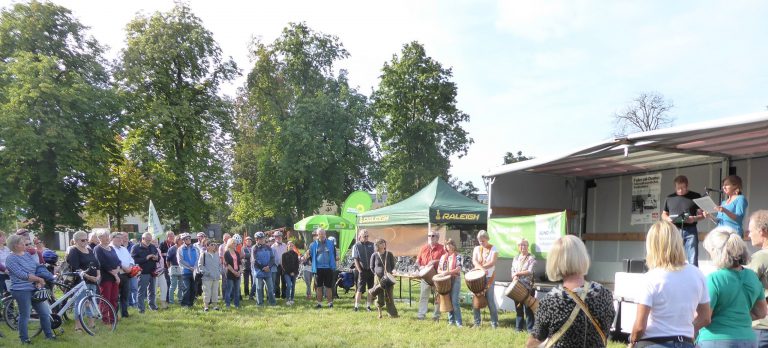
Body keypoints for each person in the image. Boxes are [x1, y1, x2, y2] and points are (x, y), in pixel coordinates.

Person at [629, 220, 711, 348]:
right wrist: (686, 333)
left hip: (654, 342)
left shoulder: (650, 278)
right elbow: (705, 317)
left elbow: (640, 327)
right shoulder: (697, 274)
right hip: (685, 342)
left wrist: (632, 341)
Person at [527, 235, 615, 348]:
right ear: (583, 257)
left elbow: (535, 341)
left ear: (555, 261)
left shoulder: (550, 302)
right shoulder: (605, 295)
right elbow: (606, 329)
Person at [698, 227, 766, 347]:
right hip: (748, 339)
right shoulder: (752, 277)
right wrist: (738, 319)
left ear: (716, 251)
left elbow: (704, 317)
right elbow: (761, 312)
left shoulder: (714, 279)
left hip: (716, 340)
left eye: (710, 251)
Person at [5, 234, 56, 343]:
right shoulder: (10, 258)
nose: (25, 244)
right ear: (15, 246)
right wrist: (38, 279)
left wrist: (40, 279)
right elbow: (21, 274)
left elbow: (36, 267)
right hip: (21, 290)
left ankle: (49, 335)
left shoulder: (27, 255)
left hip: (34, 288)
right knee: (25, 315)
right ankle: (24, 339)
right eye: (22, 242)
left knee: (44, 313)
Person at [662, 175, 704, 266]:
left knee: (693, 258)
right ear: (675, 187)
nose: (680, 190)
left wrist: (694, 218)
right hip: (674, 230)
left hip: (691, 230)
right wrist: (667, 219)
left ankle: (693, 278)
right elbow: (664, 214)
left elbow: (703, 215)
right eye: (678, 188)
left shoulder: (696, 196)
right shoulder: (669, 198)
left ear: (687, 185)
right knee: (673, 258)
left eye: (683, 188)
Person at [67, 231, 101, 332]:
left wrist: (98, 275)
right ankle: (78, 326)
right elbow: (75, 268)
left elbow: (96, 264)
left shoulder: (89, 250)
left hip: (93, 281)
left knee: (89, 302)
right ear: (76, 241)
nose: (85, 241)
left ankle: (91, 323)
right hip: (81, 281)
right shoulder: (74, 251)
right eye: (83, 240)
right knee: (80, 302)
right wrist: (88, 276)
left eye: (86, 239)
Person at [747, 210, 768, 346]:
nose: (748, 235)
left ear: (762, 231)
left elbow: (743, 288)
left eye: (750, 230)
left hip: (762, 327)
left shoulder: (760, 257)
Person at [416, 229, 445, 321]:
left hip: (437, 276)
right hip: (425, 276)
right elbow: (417, 260)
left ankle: (436, 316)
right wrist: (420, 267)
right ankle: (421, 315)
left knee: (438, 297)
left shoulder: (442, 248)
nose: (430, 238)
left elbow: (446, 260)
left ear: (437, 238)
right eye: (429, 236)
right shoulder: (424, 248)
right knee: (424, 296)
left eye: (433, 236)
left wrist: (434, 261)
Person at [471, 230, 498, 328]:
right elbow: (474, 261)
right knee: (476, 298)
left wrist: (482, 268)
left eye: (483, 241)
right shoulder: (477, 248)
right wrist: (482, 269)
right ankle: (477, 322)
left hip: (489, 277)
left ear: (487, 239)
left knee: (490, 300)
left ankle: (494, 323)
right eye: (479, 241)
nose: (481, 243)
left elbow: (492, 262)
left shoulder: (494, 248)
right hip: (478, 277)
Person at [95, 230, 121, 321]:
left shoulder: (111, 248)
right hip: (105, 278)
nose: (107, 238)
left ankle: (113, 318)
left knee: (114, 298)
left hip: (114, 277)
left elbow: (118, 261)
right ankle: (105, 319)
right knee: (105, 299)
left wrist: (117, 271)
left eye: (107, 236)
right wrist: (115, 275)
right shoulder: (98, 249)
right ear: (100, 238)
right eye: (105, 236)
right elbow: (102, 264)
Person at [511, 238, 536, 332]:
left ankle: (530, 329)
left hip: (528, 286)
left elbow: (530, 271)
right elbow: (512, 270)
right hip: (516, 286)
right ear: (518, 247)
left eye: (525, 245)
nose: (523, 247)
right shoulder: (516, 258)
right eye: (521, 245)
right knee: (518, 308)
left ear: (528, 247)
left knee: (528, 308)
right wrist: (514, 276)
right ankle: (518, 328)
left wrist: (517, 274)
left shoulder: (531, 257)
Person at [308, 228, 337, 308]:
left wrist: (332, 265)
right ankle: (319, 304)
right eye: (320, 234)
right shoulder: (313, 245)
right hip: (318, 269)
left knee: (328, 287)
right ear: (317, 235)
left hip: (328, 268)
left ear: (325, 234)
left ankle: (330, 303)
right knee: (319, 287)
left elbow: (334, 255)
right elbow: (310, 256)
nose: (322, 235)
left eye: (323, 234)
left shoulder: (331, 243)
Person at [131, 232, 159, 313]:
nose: (149, 241)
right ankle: (141, 309)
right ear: (143, 239)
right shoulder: (136, 247)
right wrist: (146, 258)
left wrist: (156, 258)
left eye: (150, 240)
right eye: (147, 240)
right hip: (142, 273)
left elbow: (158, 257)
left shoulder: (152, 246)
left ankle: (153, 307)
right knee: (141, 292)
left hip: (152, 272)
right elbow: (133, 260)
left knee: (152, 291)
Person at [370, 238, 398, 318]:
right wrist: (376, 274)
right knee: (380, 297)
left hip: (388, 279)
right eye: (381, 243)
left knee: (389, 296)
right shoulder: (374, 255)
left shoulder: (389, 254)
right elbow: (371, 267)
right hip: (378, 278)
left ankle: (392, 314)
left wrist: (389, 273)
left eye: (384, 242)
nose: (383, 244)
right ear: (377, 245)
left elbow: (393, 265)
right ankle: (380, 314)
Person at [438, 238, 462, 327]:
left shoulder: (458, 256)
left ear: (454, 246)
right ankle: (451, 321)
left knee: (455, 301)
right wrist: (443, 273)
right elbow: (439, 269)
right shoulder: (443, 257)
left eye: (451, 244)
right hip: (446, 281)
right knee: (448, 300)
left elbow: (458, 269)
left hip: (455, 279)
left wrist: (448, 272)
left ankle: (459, 322)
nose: (449, 247)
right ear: (446, 247)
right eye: (447, 245)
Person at [111, 232, 133, 317]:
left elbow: (131, 259)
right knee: (115, 296)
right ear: (112, 238)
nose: (121, 240)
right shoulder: (110, 248)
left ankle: (125, 313)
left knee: (125, 295)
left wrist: (130, 267)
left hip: (126, 275)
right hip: (117, 274)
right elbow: (115, 261)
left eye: (121, 238)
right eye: (118, 238)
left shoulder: (123, 248)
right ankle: (114, 315)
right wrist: (124, 268)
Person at [352, 229, 375, 312]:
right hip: (362, 270)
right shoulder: (356, 246)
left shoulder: (372, 245)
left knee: (371, 289)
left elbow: (375, 257)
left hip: (371, 270)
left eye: (367, 236)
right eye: (364, 236)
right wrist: (360, 271)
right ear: (360, 237)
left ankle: (368, 306)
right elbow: (355, 259)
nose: (366, 237)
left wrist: (374, 269)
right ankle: (356, 307)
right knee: (360, 289)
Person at [252, 231, 276, 306]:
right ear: (256, 239)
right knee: (259, 288)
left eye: (263, 238)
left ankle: (272, 302)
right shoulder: (254, 248)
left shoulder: (268, 247)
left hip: (268, 270)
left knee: (270, 288)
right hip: (259, 271)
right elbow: (255, 260)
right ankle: (260, 303)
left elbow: (272, 258)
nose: (262, 240)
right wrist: (263, 268)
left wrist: (269, 266)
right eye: (260, 238)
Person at [198, 240, 221, 311]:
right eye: (211, 244)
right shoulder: (203, 254)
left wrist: (218, 271)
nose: (214, 246)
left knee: (215, 292)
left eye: (214, 244)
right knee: (207, 292)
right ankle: (206, 306)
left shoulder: (217, 254)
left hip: (216, 277)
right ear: (207, 246)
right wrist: (207, 273)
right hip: (207, 277)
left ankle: (215, 305)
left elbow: (219, 265)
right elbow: (200, 265)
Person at [178, 233, 199, 307]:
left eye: (189, 238)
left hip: (194, 271)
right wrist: (189, 267)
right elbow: (180, 261)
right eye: (186, 239)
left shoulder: (195, 248)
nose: (188, 240)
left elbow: (198, 259)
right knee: (186, 288)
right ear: (183, 240)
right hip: (185, 272)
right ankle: (184, 304)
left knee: (193, 288)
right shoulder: (180, 249)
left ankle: (190, 303)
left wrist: (195, 267)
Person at [223, 238, 242, 309]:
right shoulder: (226, 253)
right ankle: (227, 304)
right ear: (230, 244)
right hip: (230, 273)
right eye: (234, 243)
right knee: (229, 290)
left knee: (237, 290)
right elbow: (227, 264)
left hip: (237, 273)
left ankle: (237, 304)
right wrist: (234, 272)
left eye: (235, 243)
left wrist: (239, 271)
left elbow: (239, 263)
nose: (235, 244)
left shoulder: (236, 252)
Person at [151, 237, 168, 309]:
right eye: (154, 242)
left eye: (156, 242)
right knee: (154, 289)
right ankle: (154, 304)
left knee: (164, 287)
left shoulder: (158, 250)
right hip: (154, 273)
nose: (156, 243)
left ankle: (163, 302)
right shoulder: (149, 250)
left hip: (161, 271)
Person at [159, 231, 175, 303]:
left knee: (173, 283)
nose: (172, 237)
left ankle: (172, 297)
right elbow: (159, 254)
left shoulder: (174, 244)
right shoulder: (162, 244)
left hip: (174, 266)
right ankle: (167, 298)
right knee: (167, 282)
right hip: (165, 266)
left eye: (173, 236)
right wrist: (166, 254)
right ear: (167, 237)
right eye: (170, 236)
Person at [282, 241, 299, 306]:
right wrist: (289, 272)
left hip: (294, 273)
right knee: (289, 285)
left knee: (293, 286)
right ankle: (287, 299)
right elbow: (283, 265)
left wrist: (294, 272)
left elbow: (297, 264)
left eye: (292, 246)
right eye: (290, 245)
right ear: (287, 246)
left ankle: (292, 298)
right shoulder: (284, 254)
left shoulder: (295, 254)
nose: (291, 247)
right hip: (287, 273)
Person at [301, 231, 317, 300]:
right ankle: (309, 295)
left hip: (315, 268)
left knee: (317, 282)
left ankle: (318, 294)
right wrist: (305, 258)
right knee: (308, 283)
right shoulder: (307, 251)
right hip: (307, 268)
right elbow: (303, 260)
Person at [272, 231, 288, 300]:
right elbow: (272, 257)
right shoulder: (272, 246)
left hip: (284, 265)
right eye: (276, 237)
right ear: (275, 238)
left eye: (279, 236)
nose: (278, 238)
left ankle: (284, 294)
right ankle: (277, 294)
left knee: (284, 280)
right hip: (277, 265)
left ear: (281, 237)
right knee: (276, 281)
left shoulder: (285, 245)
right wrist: (277, 263)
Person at [167, 237, 183, 305]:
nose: (182, 241)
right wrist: (169, 268)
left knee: (181, 285)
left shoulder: (183, 248)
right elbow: (167, 260)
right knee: (173, 285)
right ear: (177, 240)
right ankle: (171, 301)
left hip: (182, 268)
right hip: (174, 267)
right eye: (180, 240)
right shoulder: (172, 249)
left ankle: (180, 299)